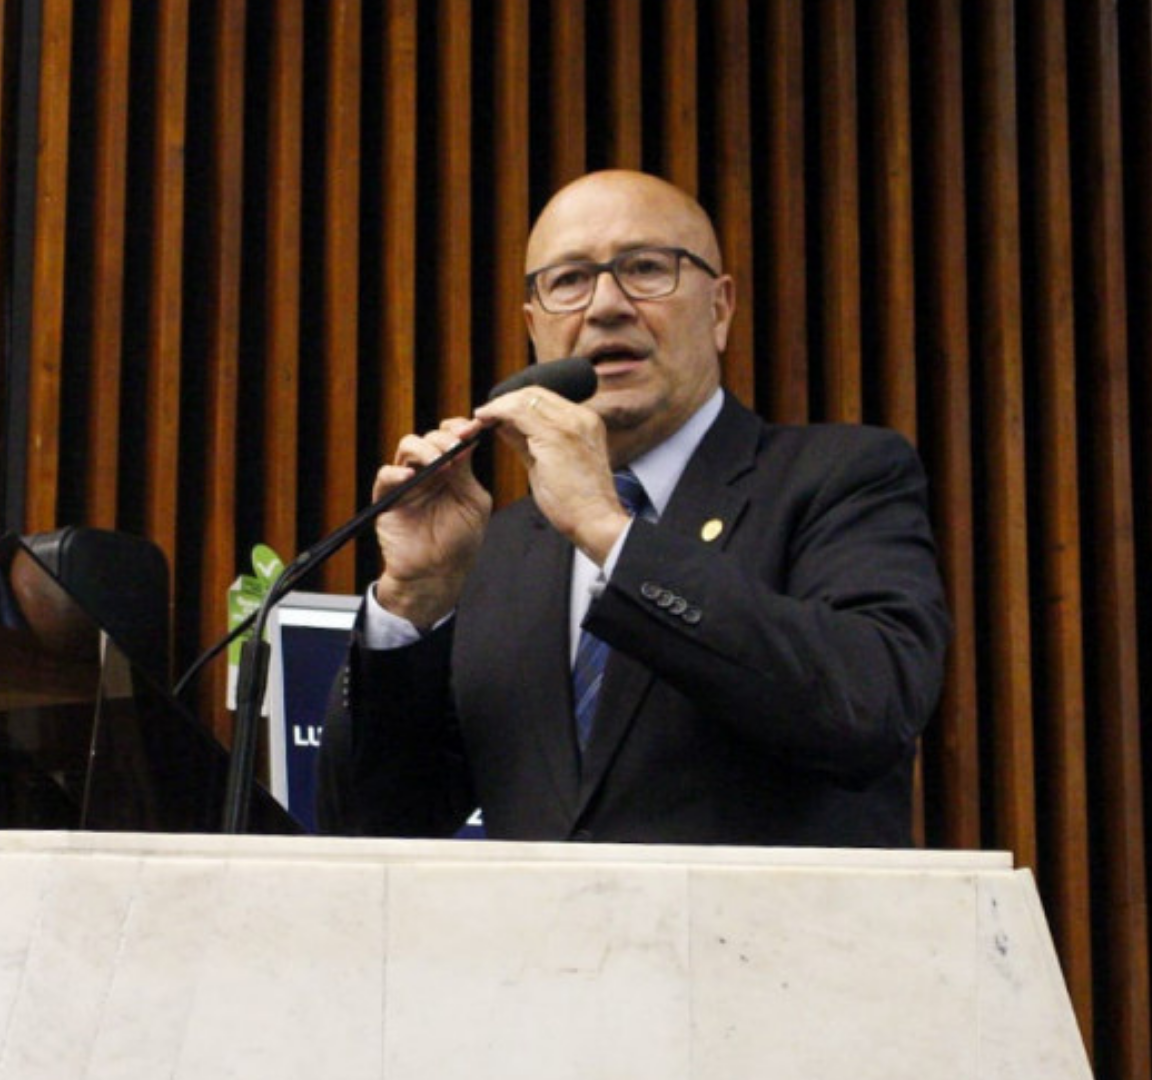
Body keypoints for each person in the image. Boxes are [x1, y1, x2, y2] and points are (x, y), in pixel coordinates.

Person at [316, 170, 949, 847]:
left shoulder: (840, 477)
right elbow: (371, 825)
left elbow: (869, 706)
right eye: (568, 281)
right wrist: (415, 600)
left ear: (720, 308)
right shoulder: (494, 550)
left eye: (646, 269)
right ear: (534, 327)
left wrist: (611, 535)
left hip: (766, 948)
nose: (606, 306)